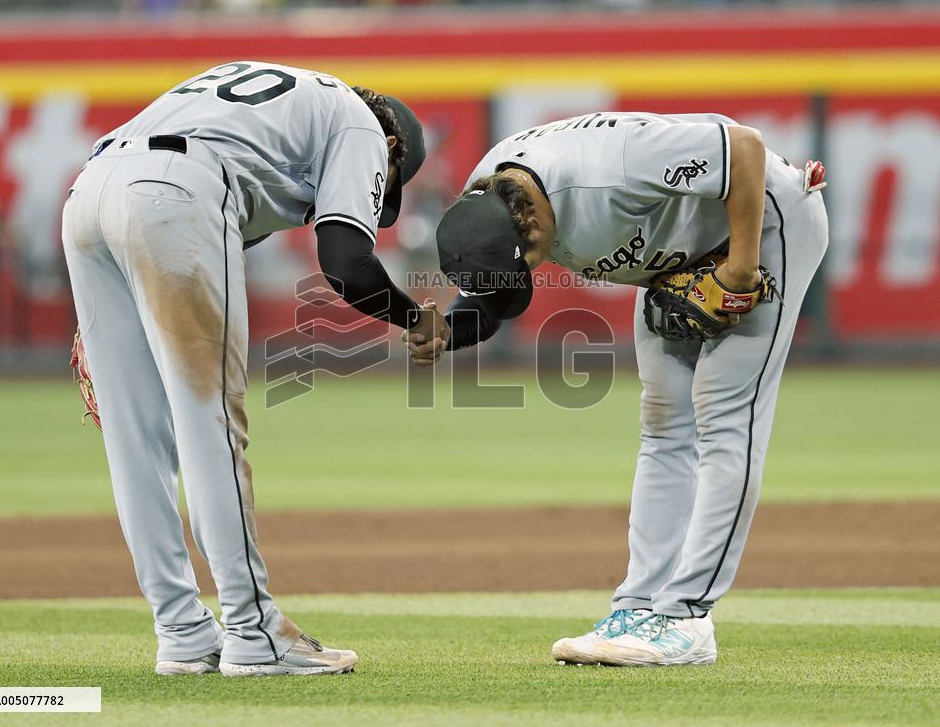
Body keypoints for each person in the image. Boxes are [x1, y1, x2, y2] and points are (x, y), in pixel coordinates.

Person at [63, 62, 447, 676]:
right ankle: (253, 632)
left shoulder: (279, 110)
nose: (377, 191)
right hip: (177, 187)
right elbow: (347, 262)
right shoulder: (363, 126)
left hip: (90, 194)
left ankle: (184, 633)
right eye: (387, 182)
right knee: (209, 421)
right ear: (393, 146)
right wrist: (414, 317)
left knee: (136, 440)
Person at [411, 111, 827, 666]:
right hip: (674, 256)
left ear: (532, 223)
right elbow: (491, 299)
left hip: (764, 225)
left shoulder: (610, 167)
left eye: (528, 264)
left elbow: (742, 147)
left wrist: (743, 269)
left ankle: (686, 618)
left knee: (725, 416)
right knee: (661, 424)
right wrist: (449, 331)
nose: (529, 273)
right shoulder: (487, 202)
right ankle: (639, 608)